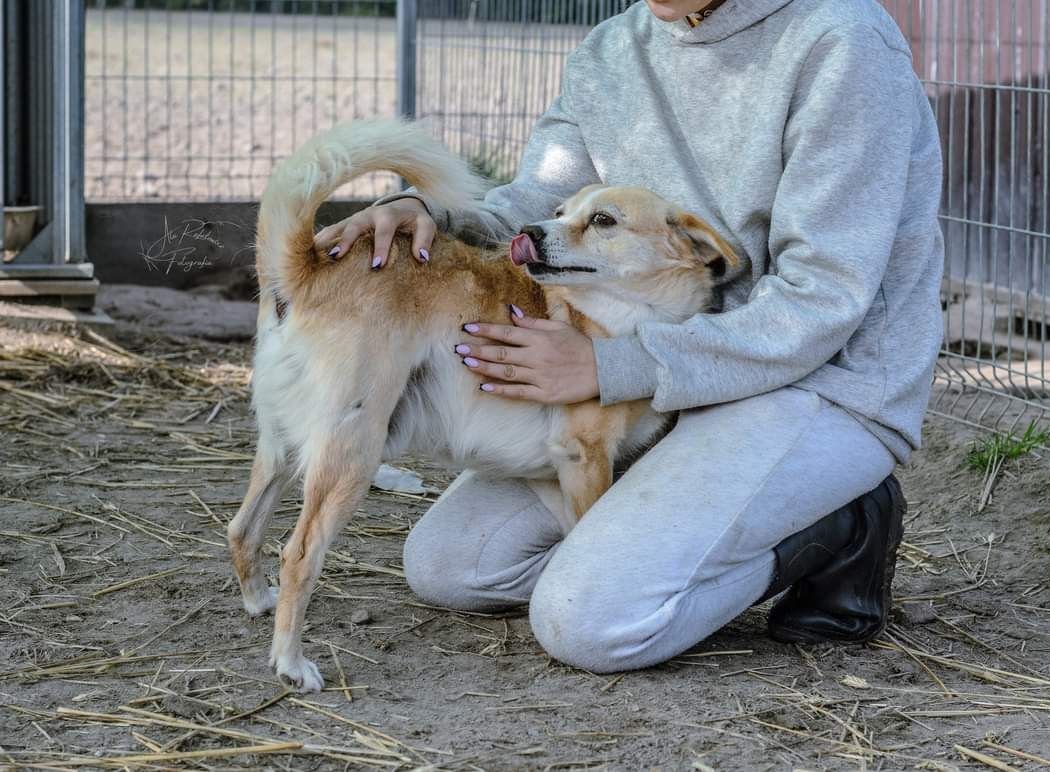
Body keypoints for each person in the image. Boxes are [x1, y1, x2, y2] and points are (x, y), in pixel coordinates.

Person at [314, 0, 944, 673]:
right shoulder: (613, 47)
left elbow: (823, 299)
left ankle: (839, 525)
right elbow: (547, 202)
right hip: (666, 387)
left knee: (590, 625)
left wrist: (614, 365)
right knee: (452, 568)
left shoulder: (842, 41)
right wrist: (436, 216)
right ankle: (659, 551)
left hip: (818, 380)